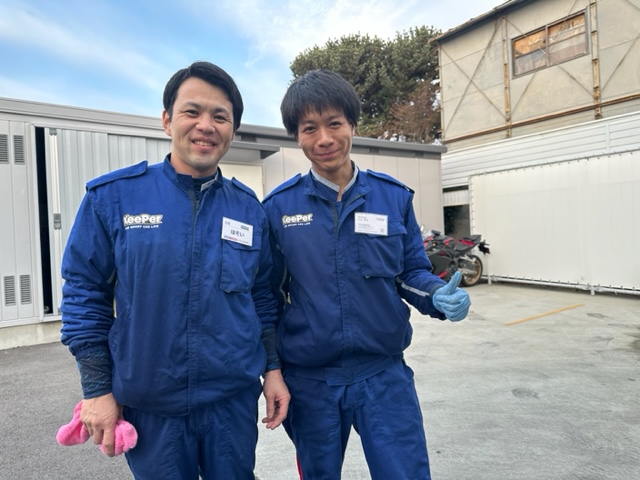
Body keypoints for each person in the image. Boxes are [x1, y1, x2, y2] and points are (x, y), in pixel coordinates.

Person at [60, 61, 289, 479]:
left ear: (232, 131)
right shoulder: (113, 198)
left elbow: (261, 298)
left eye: (220, 116)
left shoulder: (248, 210)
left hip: (231, 404)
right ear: (167, 120)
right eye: (192, 112)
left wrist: (272, 368)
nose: (206, 126)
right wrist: (96, 388)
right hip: (152, 408)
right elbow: (84, 293)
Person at [262, 69, 471, 480]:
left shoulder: (392, 197)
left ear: (353, 125)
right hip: (311, 381)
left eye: (335, 123)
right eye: (309, 128)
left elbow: (409, 271)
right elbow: (266, 296)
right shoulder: (278, 209)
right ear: (296, 137)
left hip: (384, 374)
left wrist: (435, 295)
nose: (324, 139)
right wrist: (270, 368)